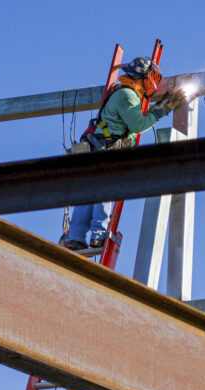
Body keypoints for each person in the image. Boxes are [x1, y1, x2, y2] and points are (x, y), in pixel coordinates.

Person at [65, 56, 186, 250]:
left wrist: (158, 108)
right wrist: (161, 112)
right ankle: (98, 236)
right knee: (105, 192)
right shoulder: (128, 95)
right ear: (146, 80)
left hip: (96, 148)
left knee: (87, 196)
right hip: (107, 151)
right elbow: (138, 124)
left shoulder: (121, 92)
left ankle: (76, 238)